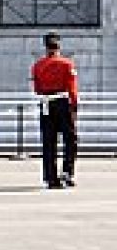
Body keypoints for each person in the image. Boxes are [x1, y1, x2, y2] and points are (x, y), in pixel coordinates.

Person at [31, 32, 78, 189]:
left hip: (46, 103)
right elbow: (72, 87)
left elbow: (37, 89)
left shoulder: (37, 66)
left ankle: (50, 177)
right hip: (63, 102)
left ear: (45, 47)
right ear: (59, 46)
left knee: (48, 141)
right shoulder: (67, 64)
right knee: (70, 139)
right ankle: (67, 172)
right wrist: (74, 105)